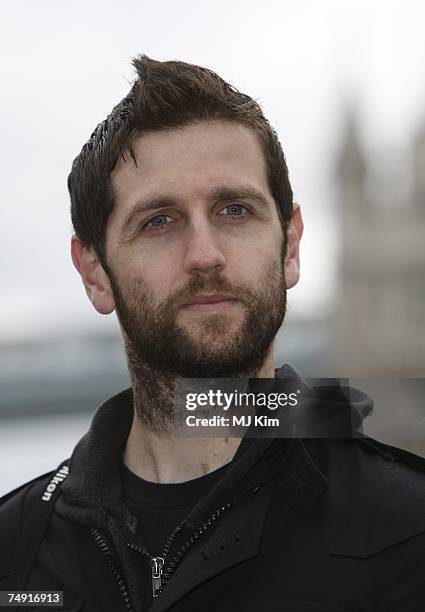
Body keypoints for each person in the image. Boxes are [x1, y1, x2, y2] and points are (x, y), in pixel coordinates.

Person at [1, 54, 425, 612]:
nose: (205, 256)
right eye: (159, 221)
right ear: (94, 273)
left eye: (234, 210)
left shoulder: (411, 534)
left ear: (291, 246)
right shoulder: (14, 552)